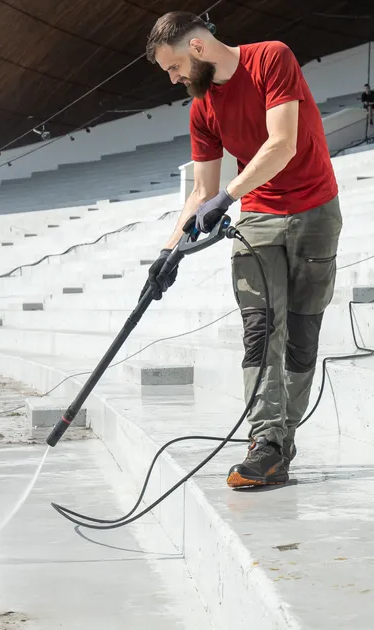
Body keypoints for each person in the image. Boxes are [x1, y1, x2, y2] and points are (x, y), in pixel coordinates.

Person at [143, 12, 342, 488]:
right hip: (257, 216)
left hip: (315, 209)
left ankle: (280, 443)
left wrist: (225, 198)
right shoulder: (201, 109)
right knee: (259, 329)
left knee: (301, 333)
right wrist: (169, 253)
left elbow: (282, 145)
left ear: (196, 50)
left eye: (173, 69)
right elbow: (201, 191)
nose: (173, 80)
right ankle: (265, 441)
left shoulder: (271, 58)